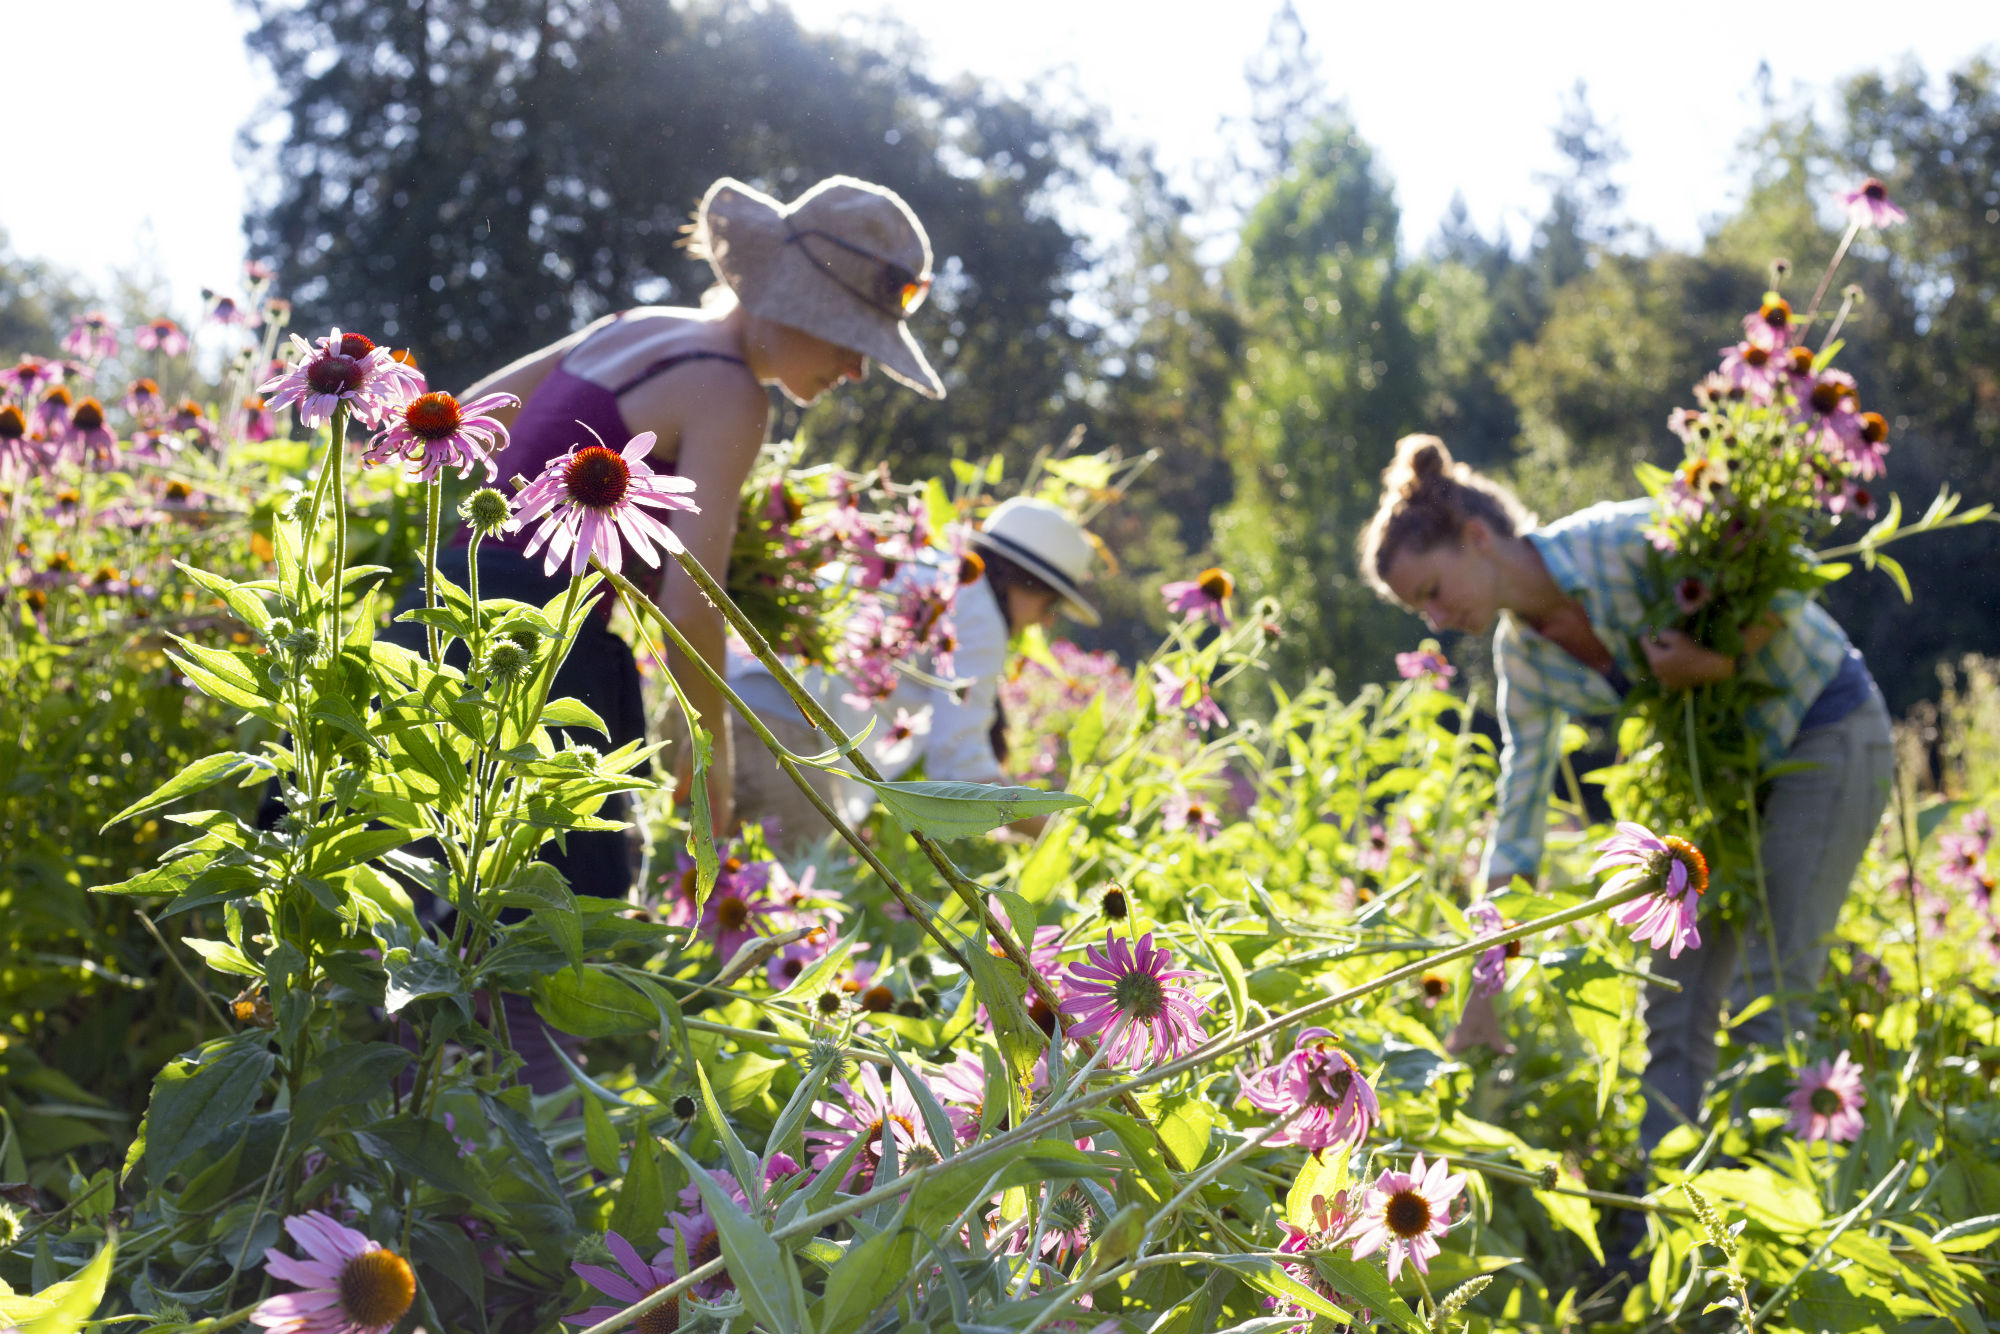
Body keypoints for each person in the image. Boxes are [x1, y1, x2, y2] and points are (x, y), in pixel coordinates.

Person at [1357, 434, 1893, 1152]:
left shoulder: (1620, 539)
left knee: (1772, 991)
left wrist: (1720, 659)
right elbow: (1517, 827)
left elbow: (1787, 570)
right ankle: (1661, 1220)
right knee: (1672, 999)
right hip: (1717, 778)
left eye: (1430, 591)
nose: (1434, 619)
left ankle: (1778, 1219)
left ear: (1476, 538)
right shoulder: (1526, 662)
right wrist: (1481, 997)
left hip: (1824, 728)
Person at [439, 174, 945, 899]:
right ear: (788, 304)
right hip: (542, 654)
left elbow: (476, 414)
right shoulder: (730, 392)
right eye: (848, 336)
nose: (857, 368)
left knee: (429, 901)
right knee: (538, 942)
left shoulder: (632, 326)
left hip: (443, 605)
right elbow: (690, 602)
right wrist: (711, 775)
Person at [727, 495, 1100, 846]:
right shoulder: (980, 613)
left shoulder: (924, 563)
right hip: (782, 730)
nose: (1047, 620)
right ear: (1027, 583)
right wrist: (1058, 835)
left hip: (725, 692)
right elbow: (961, 770)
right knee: (794, 893)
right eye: (1051, 604)